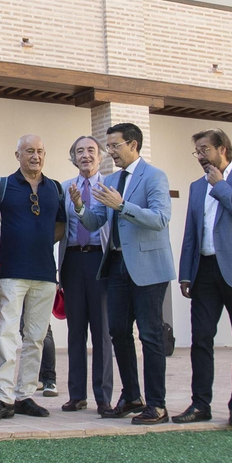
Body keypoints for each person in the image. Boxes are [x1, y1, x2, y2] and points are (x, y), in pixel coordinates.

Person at [73, 122, 173, 425]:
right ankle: (132, 396)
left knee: (150, 335)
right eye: (109, 146)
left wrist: (123, 205)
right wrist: (79, 207)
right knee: (117, 330)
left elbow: (160, 219)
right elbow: (95, 222)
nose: (110, 152)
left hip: (148, 268)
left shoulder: (155, 176)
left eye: (114, 146)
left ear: (133, 145)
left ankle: (157, 405)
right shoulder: (112, 179)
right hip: (116, 266)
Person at [173, 129, 232, 429]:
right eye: (196, 151)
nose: (200, 156)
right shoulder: (196, 187)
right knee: (200, 338)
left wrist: (222, 187)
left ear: (222, 149)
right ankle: (200, 404)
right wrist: (185, 273)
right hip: (205, 272)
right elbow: (191, 232)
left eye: (204, 150)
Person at [0, 134, 66, 422]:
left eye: (41, 151)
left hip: (44, 274)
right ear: (17, 154)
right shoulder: (2, 186)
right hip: (12, 273)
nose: (36, 156)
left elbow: (61, 226)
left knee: (36, 337)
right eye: (29, 151)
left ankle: (25, 395)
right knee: (5, 334)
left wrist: (40, 245)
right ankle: (3, 397)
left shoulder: (55, 188)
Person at [58, 134, 113, 412]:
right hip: (72, 263)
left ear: (100, 156)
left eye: (91, 150)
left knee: (102, 331)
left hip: (100, 263)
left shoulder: (110, 186)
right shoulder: (65, 188)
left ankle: (103, 397)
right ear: (73, 158)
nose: (85, 155)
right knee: (75, 331)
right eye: (79, 151)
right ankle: (77, 395)